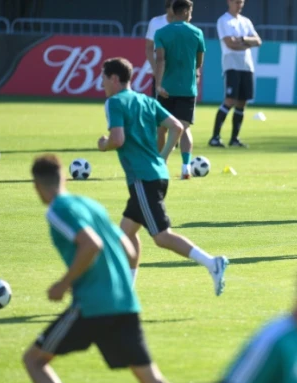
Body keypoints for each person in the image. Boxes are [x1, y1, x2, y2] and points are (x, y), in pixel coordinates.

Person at [23, 155, 204, 383]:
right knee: (153, 381)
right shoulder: (91, 205)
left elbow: (91, 244)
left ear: (37, 186)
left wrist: (64, 283)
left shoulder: (57, 210)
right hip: (125, 304)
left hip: (93, 306)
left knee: (34, 360)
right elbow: (128, 249)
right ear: (65, 177)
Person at [97, 57, 228, 296]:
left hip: (142, 178)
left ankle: (212, 263)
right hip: (156, 174)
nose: (101, 82)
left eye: (104, 77)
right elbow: (177, 127)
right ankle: (127, 290)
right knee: (126, 234)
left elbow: (117, 140)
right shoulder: (146, 100)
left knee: (161, 236)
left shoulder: (114, 103)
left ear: (114, 79)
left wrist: (104, 144)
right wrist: (164, 156)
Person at [154, 0, 204, 179]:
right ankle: (185, 167)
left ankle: (159, 164)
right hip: (188, 90)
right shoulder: (197, 33)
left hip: (166, 88)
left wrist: (158, 85)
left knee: (161, 129)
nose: (191, 15)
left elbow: (160, 60)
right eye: (190, 12)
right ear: (184, 12)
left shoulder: (161, 33)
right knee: (184, 129)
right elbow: (199, 63)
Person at [209, 0, 262, 148]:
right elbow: (230, 44)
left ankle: (234, 139)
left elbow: (258, 41)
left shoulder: (246, 21)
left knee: (242, 102)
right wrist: (246, 44)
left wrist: (243, 40)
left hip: (247, 66)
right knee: (230, 100)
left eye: (241, 2)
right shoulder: (224, 20)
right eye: (236, 2)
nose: (239, 4)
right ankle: (215, 137)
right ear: (229, 2)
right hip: (231, 65)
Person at [145, 0, 174, 152]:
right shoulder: (156, 22)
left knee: (176, 110)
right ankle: (156, 145)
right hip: (160, 73)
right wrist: (155, 68)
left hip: (177, 75)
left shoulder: (182, 23)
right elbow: (149, 48)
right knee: (158, 111)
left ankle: (172, 139)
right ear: (168, 7)